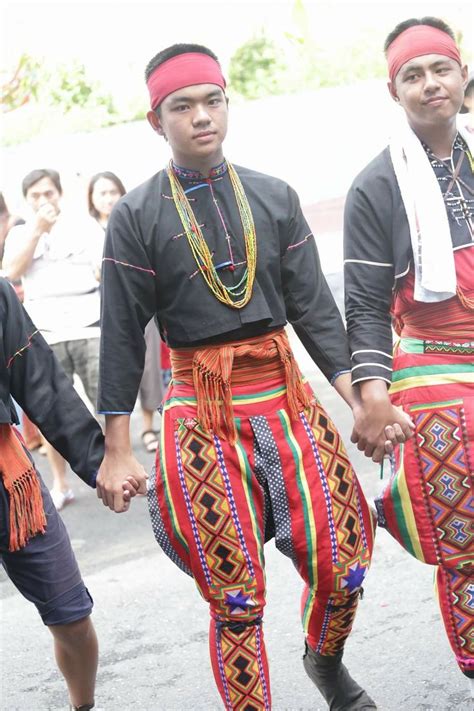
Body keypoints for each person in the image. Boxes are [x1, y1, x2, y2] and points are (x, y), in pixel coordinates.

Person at [97, 43, 410, 711]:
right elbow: (122, 334)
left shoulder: (272, 196)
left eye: (213, 101)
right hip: (200, 412)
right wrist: (117, 447)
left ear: (227, 106)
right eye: (183, 106)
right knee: (235, 593)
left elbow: (317, 312)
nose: (201, 117)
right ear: (157, 121)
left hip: (285, 400)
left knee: (344, 557)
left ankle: (325, 662)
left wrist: (362, 398)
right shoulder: (136, 215)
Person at [343, 17, 473, 695]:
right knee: (467, 548)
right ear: (393, 91)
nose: (430, 85)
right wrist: (372, 396)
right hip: (433, 368)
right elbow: (363, 303)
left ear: (463, 74)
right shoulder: (378, 184)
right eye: (412, 75)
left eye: (440, 69)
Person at [0, 275, 114, 711]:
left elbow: (41, 382)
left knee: (72, 617)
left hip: (11, 481)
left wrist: (101, 461)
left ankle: (81, 707)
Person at [3, 169, 102, 510]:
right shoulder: (19, 233)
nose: (44, 201)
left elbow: (101, 268)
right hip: (44, 330)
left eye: (49, 193)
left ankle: (110, 467)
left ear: (59, 194)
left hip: (88, 322)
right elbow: (11, 273)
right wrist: (37, 231)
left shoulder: (83, 226)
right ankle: (61, 482)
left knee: (103, 401)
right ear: (26, 201)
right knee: (49, 410)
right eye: (36, 196)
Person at [87, 171, 165, 453]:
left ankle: (148, 427)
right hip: (99, 313)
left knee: (149, 369)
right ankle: (116, 442)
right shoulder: (87, 232)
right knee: (112, 371)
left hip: (142, 308)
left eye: (113, 192)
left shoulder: (135, 222)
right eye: (102, 193)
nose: (108, 199)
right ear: (92, 200)